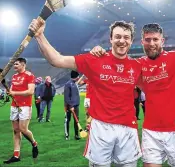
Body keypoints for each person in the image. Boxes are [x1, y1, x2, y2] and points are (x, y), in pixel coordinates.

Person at [90, 23, 175, 166]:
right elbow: (115, 64)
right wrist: (99, 53)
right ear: (142, 41)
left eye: (155, 39)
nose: (151, 43)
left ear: (162, 41)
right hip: (151, 130)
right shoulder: (138, 65)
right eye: (147, 40)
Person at [29, 20, 142, 167]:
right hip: (101, 128)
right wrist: (39, 36)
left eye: (126, 37)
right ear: (111, 39)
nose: (122, 41)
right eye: (118, 36)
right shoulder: (94, 60)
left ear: (132, 41)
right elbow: (57, 60)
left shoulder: (138, 66)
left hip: (128, 128)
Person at [3, 58, 38, 164]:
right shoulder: (14, 76)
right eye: (14, 64)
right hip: (14, 105)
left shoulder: (29, 75)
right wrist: (9, 92)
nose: (14, 66)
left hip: (25, 106)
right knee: (16, 130)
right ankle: (16, 155)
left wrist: (15, 93)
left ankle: (34, 143)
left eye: (17, 64)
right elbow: (13, 89)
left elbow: (30, 91)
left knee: (23, 129)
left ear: (23, 65)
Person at [64, 70, 81, 140]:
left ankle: (76, 135)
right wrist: (71, 106)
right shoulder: (68, 84)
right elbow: (66, 97)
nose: (79, 77)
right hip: (69, 106)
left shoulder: (75, 83)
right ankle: (67, 135)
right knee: (67, 120)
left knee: (76, 120)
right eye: (78, 76)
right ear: (76, 76)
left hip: (76, 106)